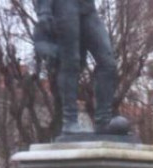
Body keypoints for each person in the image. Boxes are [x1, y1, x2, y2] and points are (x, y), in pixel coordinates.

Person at [35, 0, 117, 135]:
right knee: (70, 63)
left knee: (108, 63)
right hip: (64, 6)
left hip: (88, 8)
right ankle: (70, 121)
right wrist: (44, 11)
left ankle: (103, 122)